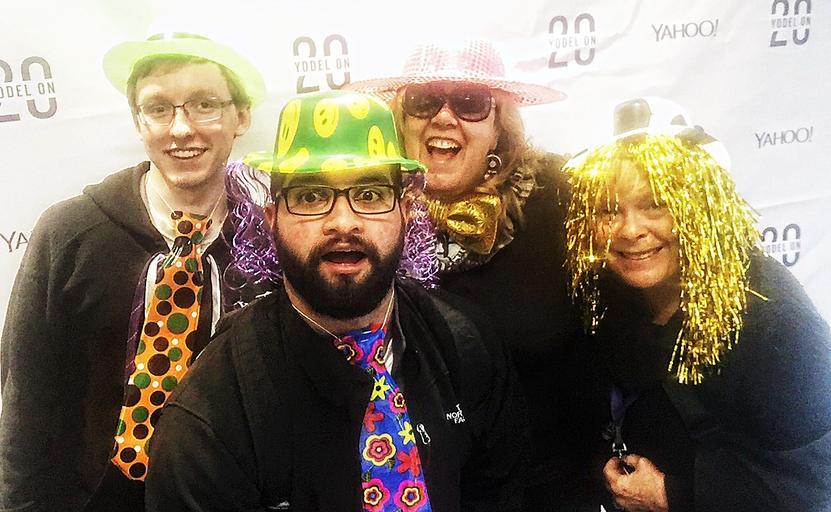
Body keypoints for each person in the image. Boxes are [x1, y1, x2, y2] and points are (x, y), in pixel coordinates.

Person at [145, 90, 523, 512]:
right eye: (310, 197)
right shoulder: (210, 422)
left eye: (370, 194)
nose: (343, 222)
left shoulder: (465, 344)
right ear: (272, 220)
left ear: (405, 212)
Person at [0, 33, 270, 511]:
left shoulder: (269, 240)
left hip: (227, 493)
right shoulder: (69, 233)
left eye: (205, 104)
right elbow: (27, 402)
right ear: (137, 122)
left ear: (241, 116)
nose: (181, 129)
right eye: (159, 108)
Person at [347, 39, 584, 509]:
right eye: (424, 101)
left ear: (498, 128)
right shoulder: (362, 211)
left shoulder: (558, 199)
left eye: (470, 102)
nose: (444, 117)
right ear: (400, 120)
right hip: (404, 487)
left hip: (545, 489)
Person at [562, 97, 831, 511]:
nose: (630, 230)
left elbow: (814, 488)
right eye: (608, 210)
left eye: (655, 204)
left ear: (701, 207)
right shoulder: (608, 294)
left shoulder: (775, 320)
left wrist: (671, 495)